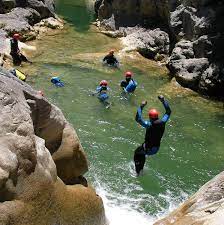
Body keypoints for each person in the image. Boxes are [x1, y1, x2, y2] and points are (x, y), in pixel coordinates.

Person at [134, 95, 171, 175]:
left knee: (137, 153)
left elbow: (138, 119)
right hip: (156, 148)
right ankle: (141, 169)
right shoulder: (163, 122)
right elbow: (168, 112)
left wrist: (141, 106)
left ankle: (138, 172)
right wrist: (163, 100)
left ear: (150, 117)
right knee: (141, 152)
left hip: (148, 149)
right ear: (157, 116)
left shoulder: (149, 124)